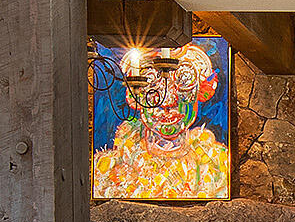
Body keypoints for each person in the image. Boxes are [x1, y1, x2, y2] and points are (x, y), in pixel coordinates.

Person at [94, 41, 229, 200]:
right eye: (151, 83)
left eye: (184, 81)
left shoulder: (215, 164)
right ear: (134, 96)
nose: (167, 102)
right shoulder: (112, 166)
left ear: (202, 91)